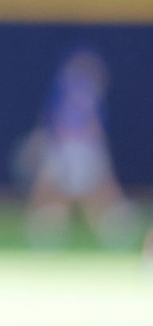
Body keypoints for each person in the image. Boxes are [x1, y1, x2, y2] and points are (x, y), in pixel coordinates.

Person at [19, 48, 138, 249]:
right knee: (74, 193)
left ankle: (50, 236)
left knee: (71, 194)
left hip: (68, 149)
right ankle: (115, 230)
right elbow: (86, 126)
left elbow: (55, 122)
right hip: (76, 149)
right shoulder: (82, 91)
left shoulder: (69, 91)